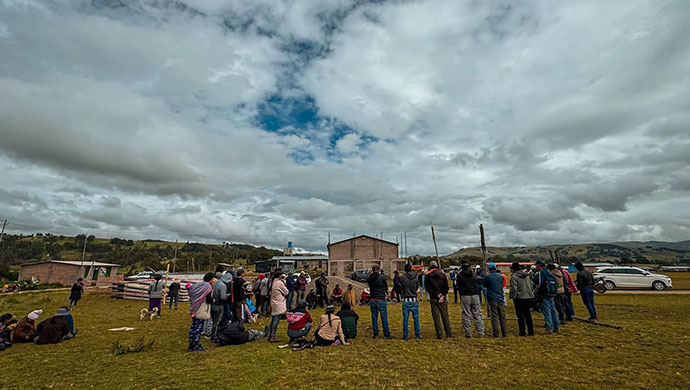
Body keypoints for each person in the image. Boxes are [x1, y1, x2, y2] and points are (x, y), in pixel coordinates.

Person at [457, 261, 485, 338]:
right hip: (475, 294)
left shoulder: (459, 275)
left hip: (465, 295)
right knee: (478, 314)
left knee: (466, 314)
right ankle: (481, 332)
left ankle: (468, 333)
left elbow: (459, 286)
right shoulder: (474, 274)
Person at [426, 261, 453, 339]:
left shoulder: (428, 276)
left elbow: (428, 288)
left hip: (434, 298)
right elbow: (446, 287)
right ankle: (448, 333)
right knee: (445, 316)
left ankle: (439, 334)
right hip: (442, 298)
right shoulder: (443, 275)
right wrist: (442, 295)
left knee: (436, 317)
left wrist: (436, 294)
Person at [187, 273, 214, 352]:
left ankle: (191, 344)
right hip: (201, 309)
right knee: (198, 329)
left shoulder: (198, 285)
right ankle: (196, 345)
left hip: (194, 308)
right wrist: (213, 300)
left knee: (193, 327)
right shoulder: (207, 287)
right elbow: (209, 299)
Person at [533, 261, 560, 333]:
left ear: (539, 265)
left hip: (545, 293)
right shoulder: (549, 272)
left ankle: (549, 327)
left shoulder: (541, 273)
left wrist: (537, 292)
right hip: (551, 293)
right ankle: (557, 326)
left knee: (547, 310)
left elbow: (540, 284)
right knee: (553, 310)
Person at [367, 265, 393, 339]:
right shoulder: (382, 277)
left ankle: (375, 334)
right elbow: (386, 287)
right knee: (384, 317)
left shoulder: (369, 278)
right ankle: (386, 333)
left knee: (374, 318)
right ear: (378, 270)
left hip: (373, 299)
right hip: (381, 299)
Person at [509, 262, 534, 336]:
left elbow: (514, 288)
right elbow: (531, 285)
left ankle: (522, 332)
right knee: (528, 314)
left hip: (519, 298)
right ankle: (531, 331)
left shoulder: (514, 276)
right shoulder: (527, 276)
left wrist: (513, 297)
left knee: (520, 315)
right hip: (528, 296)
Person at [484, 263, 508, 338]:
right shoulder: (500, 277)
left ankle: (496, 333)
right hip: (500, 298)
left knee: (494, 316)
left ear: (489, 268)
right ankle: (505, 333)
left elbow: (485, 285)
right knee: (502, 316)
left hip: (492, 298)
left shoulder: (487, 277)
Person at [400, 263, 421, 340]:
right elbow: (416, 287)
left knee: (405, 318)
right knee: (416, 318)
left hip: (406, 299)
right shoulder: (416, 277)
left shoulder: (402, 277)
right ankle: (417, 334)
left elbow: (401, 287)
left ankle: (405, 335)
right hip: (414, 299)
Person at [268, 269, 288, 343]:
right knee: (276, 320)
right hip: (279, 303)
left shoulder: (273, 282)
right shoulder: (279, 283)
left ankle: (269, 334)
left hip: (274, 302)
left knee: (273, 320)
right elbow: (286, 292)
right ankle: (273, 336)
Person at [211, 272, 232, 341]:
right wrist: (227, 295)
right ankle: (214, 336)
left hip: (213, 304)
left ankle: (213, 333)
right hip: (219, 304)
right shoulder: (222, 285)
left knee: (213, 320)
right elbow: (223, 297)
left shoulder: (214, 284)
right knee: (217, 321)